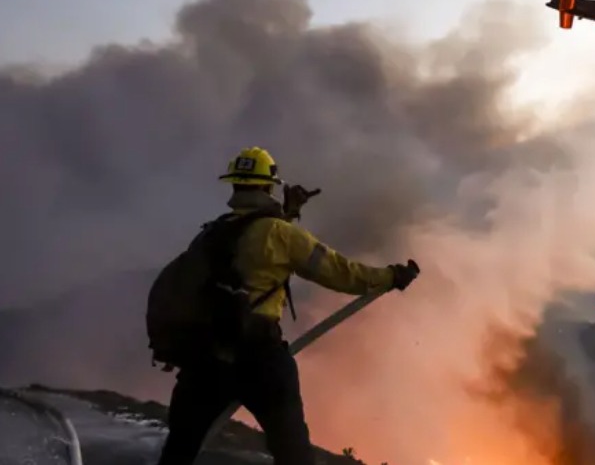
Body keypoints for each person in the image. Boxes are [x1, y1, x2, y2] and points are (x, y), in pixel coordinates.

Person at [155, 146, 420, 465]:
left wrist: (288, 212)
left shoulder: (212, 233)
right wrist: (391, 276)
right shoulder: (281, 234)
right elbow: (341, 273)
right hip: (258, 357)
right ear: (267, 186)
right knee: (292, 452)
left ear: (235, 184)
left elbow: (254, 241)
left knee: (179, 450)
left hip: (206, 360)